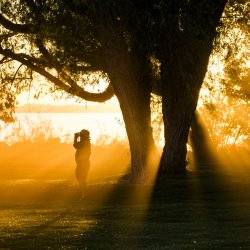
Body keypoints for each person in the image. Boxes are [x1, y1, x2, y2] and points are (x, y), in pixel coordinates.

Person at [73, 129, 91, 198]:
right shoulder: (85, 142)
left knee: (81, 178)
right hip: (82, 163)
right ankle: (84, 194)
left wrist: (75, 138)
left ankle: (84, 194)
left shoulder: (85, 142)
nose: (80, 136)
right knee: (81, 178)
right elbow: (76, 146)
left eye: (81, 135)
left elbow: (75, 145)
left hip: (83, 163)